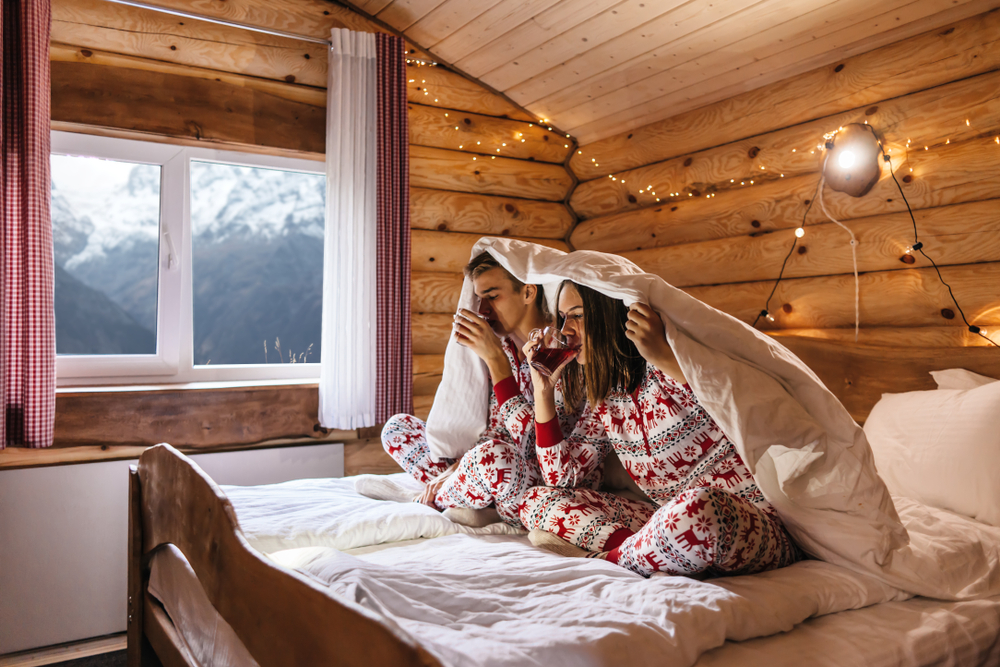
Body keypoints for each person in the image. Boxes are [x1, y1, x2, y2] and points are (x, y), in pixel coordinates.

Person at [519, 281, 800, 577]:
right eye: (562, 318)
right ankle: (655, 552)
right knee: (535, 500)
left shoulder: (676, 364)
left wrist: (662, 356)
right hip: (666, 519)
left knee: (699, 507)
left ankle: (611, 558)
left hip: (748, 521)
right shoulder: (604, 394)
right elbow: (561, 477)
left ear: (609, 314)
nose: (565, 330)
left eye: (576, 315)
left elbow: (737, 405)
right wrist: (543, 392)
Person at [380, 253, 595, 526]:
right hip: (500, 465)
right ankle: (464, 492)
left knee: (492, 459)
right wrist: (458, 467)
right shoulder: (505, 348)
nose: (483, 309)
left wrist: (496, 363)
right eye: (480, 298)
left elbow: (532, 446)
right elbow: (498, 430)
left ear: (528, 292)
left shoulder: (561, 348)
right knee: (397, 428)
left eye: (492, 296)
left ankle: (440, 499)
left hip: (543, 485)